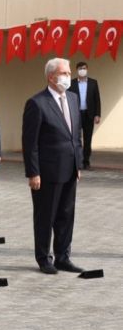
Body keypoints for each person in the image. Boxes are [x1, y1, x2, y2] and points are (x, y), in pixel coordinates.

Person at [22, 58, 84, 274]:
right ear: (51, 76)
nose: (68, 76)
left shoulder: (74, 99)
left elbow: (76, 135)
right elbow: (30, 143)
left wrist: (78, 164)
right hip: (47, 172)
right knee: (45, 216)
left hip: (69, 168)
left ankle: (63, 257)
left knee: (66, 215)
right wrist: (33, 172)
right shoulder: (37, 103)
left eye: (68, 73)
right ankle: (43, 258)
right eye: (64, 73)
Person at [68, 61, 100, 169]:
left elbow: (97, 100)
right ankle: (76, 161)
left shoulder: (93, 83)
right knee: (76, 138)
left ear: (87, 69)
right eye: (80, 68)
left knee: (87, 139)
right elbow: (67, 99)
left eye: (84, 68)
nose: (82, 70)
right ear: (77, 70)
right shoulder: (71, 83)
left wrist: (97, 114)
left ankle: (86, 162)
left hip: (89, 114)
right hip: (76, 114)